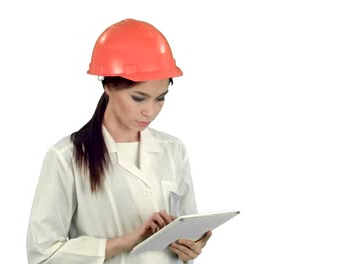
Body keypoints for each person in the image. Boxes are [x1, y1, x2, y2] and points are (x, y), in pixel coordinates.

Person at [26, 18, 212, 264]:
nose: (151, 111)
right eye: (139, 98)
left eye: (161, 98)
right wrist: (124, 242)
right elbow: (43, 255)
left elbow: (186, 227)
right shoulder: (66, 157)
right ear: (108, 86)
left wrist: (192, 247)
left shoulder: (174, 150)